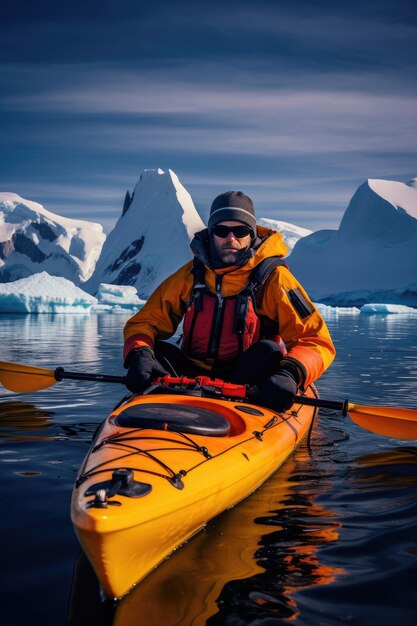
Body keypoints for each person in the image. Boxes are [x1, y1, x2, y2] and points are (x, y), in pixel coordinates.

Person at [123, 191, 335, 412]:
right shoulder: (190, 275)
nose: (230, 238)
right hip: (190, 376)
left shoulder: (274, 278)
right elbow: (144, 323)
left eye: (240, 230)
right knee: (155, 350)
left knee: (268, 351)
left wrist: (290, 374)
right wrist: (140, 354)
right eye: (221, 230)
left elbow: (316, 339)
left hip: (248, 379)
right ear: (211, 233)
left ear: (251, 234)